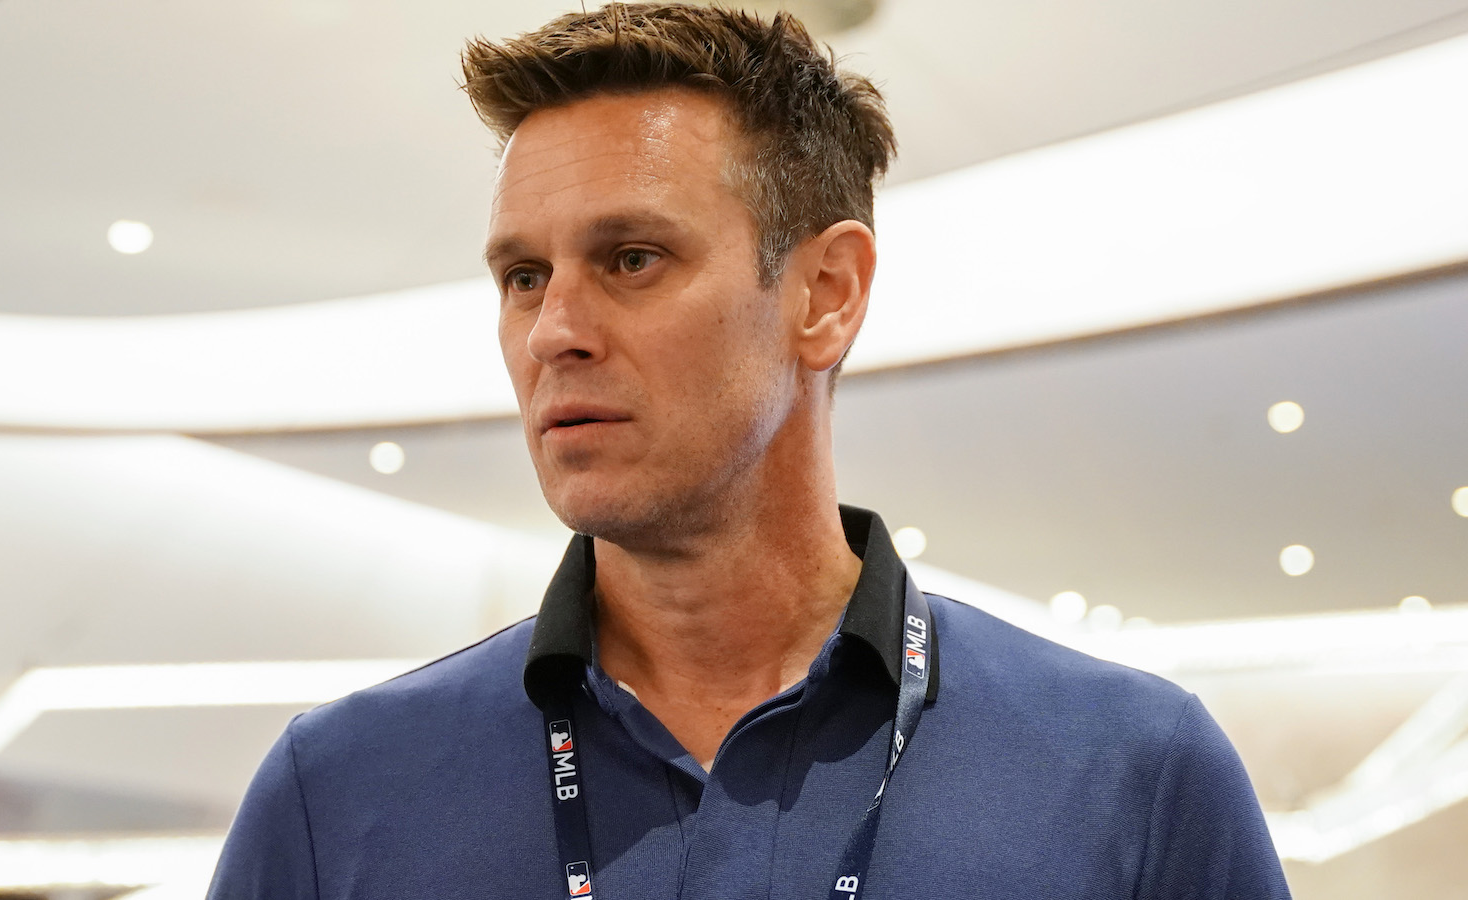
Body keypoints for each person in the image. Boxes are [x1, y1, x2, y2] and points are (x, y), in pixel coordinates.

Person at [208, 4, 1291, 898]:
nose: (552, 332)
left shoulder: (1130, 774)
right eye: (522, 276)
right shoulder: (341, 791)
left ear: (825, 295)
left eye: (631, 258)